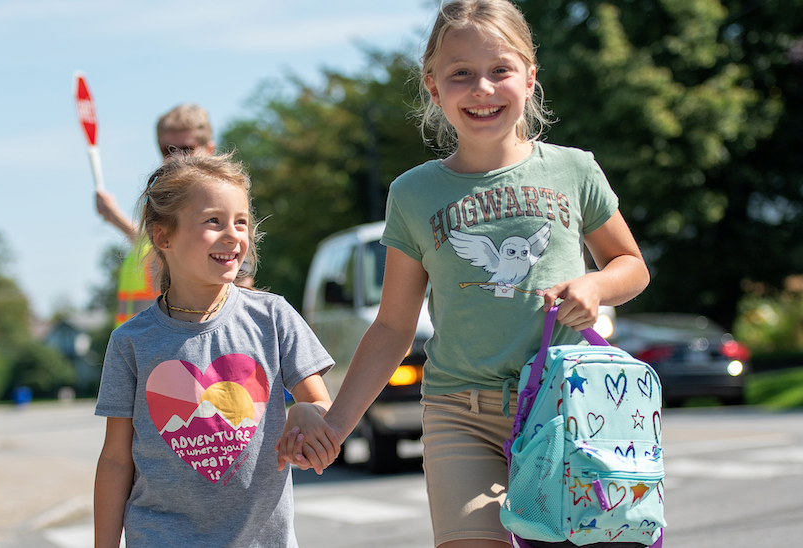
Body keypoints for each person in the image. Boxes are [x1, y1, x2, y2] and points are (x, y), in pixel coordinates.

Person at [278, 1, 650, 547]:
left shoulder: (574, 169)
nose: (482, 87)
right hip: (461, 414)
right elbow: (392, 327)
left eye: (500, 69)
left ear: (529, 78)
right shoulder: (412, 193)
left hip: (568, 408)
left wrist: (595, 285)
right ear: (433, 87)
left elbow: (632, 266)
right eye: (461, 74)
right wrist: (335, 425)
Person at [94, 153, 339, 548]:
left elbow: (320, 408)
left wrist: (307, 418)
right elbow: (116, 460)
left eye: (241, 221)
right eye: (213, 221)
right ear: (163, 237)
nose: (233, 235)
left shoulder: (273, 316)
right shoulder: (130, 343)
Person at [95, 104, 228, 326]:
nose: (175, 159)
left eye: (186, 149)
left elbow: (237, 281)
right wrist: (115, 218)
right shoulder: (161, 197)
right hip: (142, 343)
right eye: (168, 150)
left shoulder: (223, 204)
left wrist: (116, 218)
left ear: (210, 149)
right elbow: (159, 249)